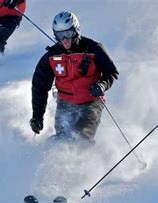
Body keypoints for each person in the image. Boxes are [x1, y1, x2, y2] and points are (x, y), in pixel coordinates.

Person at [29, 11, 119, 143]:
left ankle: (90, 160)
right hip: (66, 104)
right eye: (60, 35)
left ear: (76, 30)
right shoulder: (52, 57)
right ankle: (50, 156)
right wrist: (37, 117)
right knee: (63, 138)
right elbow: (39, 87)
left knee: (81, 137)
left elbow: (111, 72)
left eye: (68, 34)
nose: (64, 39)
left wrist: (102, 85)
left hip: (91, 103)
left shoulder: (94, 49)